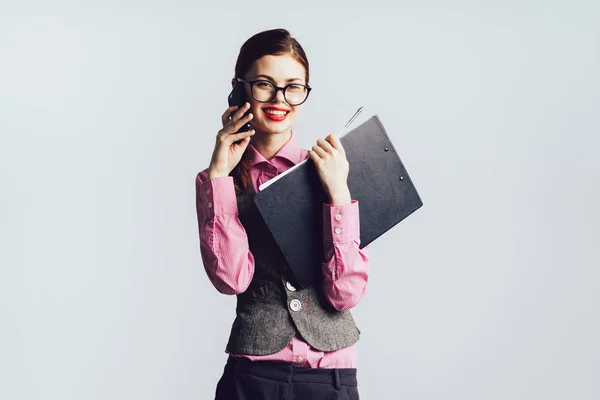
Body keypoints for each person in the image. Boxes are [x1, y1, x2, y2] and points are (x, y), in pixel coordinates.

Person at [194, 28, 370, 400]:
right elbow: (231, 279)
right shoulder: (218, 180)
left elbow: (345, 293)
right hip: (253, 375)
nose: (280, 99)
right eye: (264, 85)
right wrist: (219, 177)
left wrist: (339, 193)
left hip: (331, 376)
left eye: (293, 86)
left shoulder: (330, 169)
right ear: (240, 88)